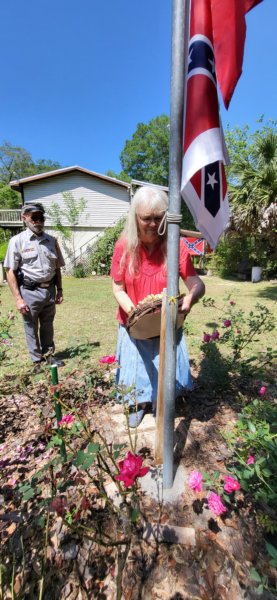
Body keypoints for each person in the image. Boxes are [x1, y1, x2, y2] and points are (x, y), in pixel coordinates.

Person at [110, 186, 205, 427]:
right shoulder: (124, 246)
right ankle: (138, 403)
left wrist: (191, 297)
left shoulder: (176, 245)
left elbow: (197, 284)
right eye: (146, 218)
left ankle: (160, 403)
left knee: (164, 369)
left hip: (167, 322)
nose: (153, 223)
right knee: (136, 367)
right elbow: (118, 288)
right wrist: (136, 314)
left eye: (158, 217)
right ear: (135, 218)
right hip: (134, 324)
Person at [4, 203, 65, 370]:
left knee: (48, 325)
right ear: (24, 218)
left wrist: (59, 290)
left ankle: (49, 356)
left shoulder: (52, 241)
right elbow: (10, 271)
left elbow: (57, 268)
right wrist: (18, 299)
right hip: (29, 291)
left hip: (49, 291)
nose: (38, 221)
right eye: (34, 217)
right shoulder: (17, 241)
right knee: (30, 326)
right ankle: (36, 361)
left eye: (41, 218)